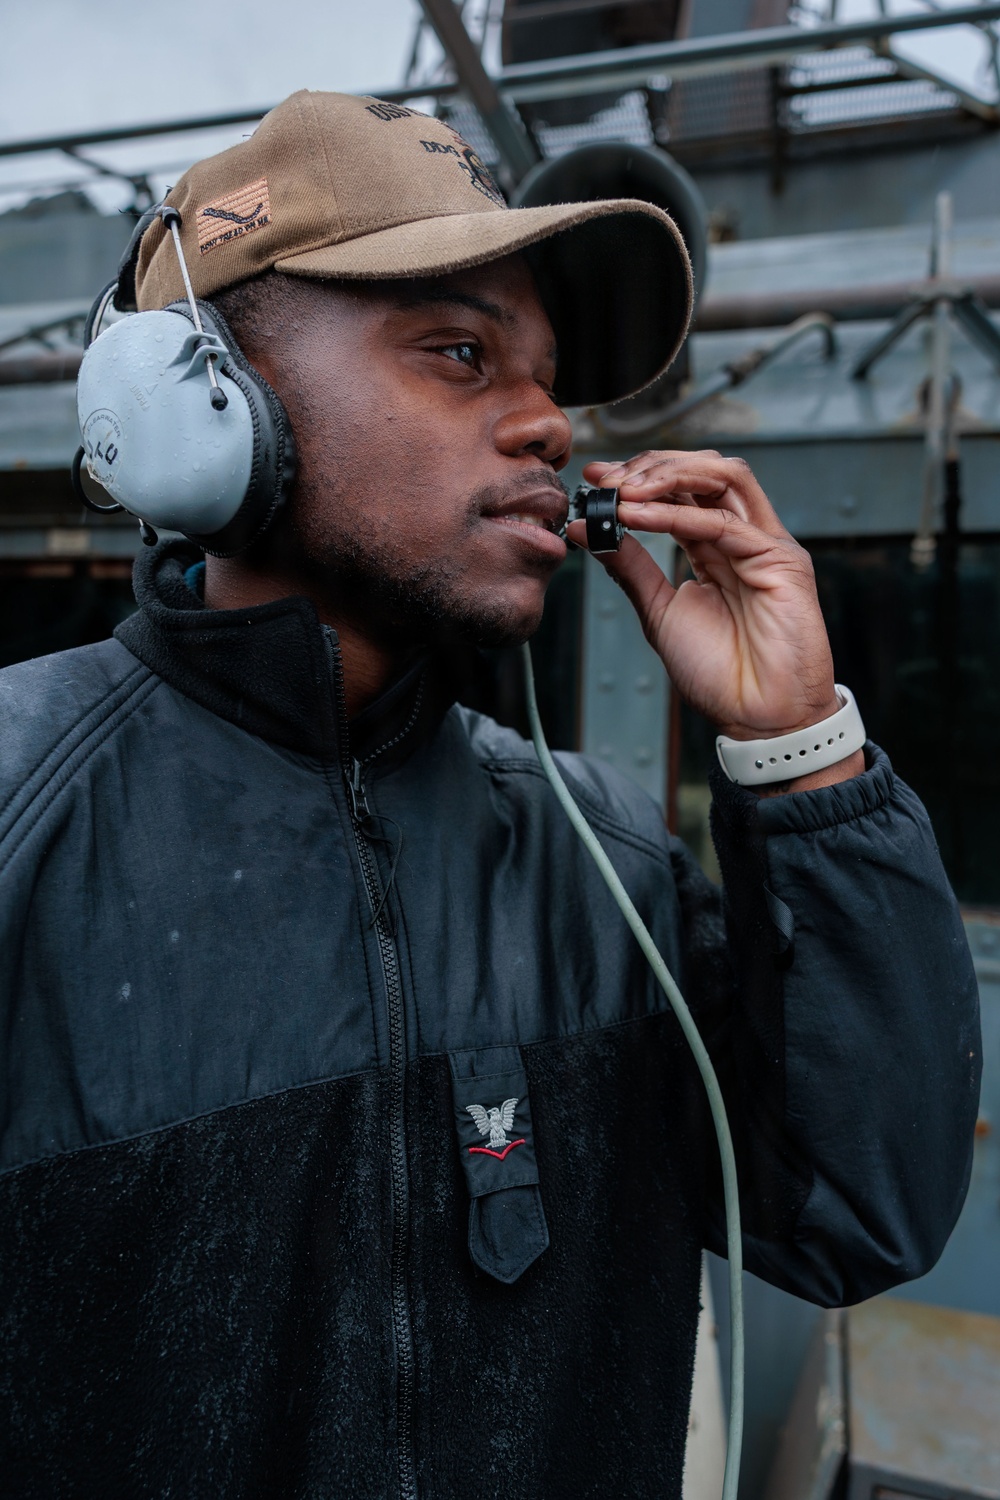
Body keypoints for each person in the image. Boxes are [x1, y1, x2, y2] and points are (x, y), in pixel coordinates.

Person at [0, 91, 981, 1500]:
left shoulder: (612, 862)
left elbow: (859, 1214)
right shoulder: (22, 815)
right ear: (195, 400)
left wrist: (802, 752)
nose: (548, 427)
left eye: (551, 377)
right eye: (461, 352)